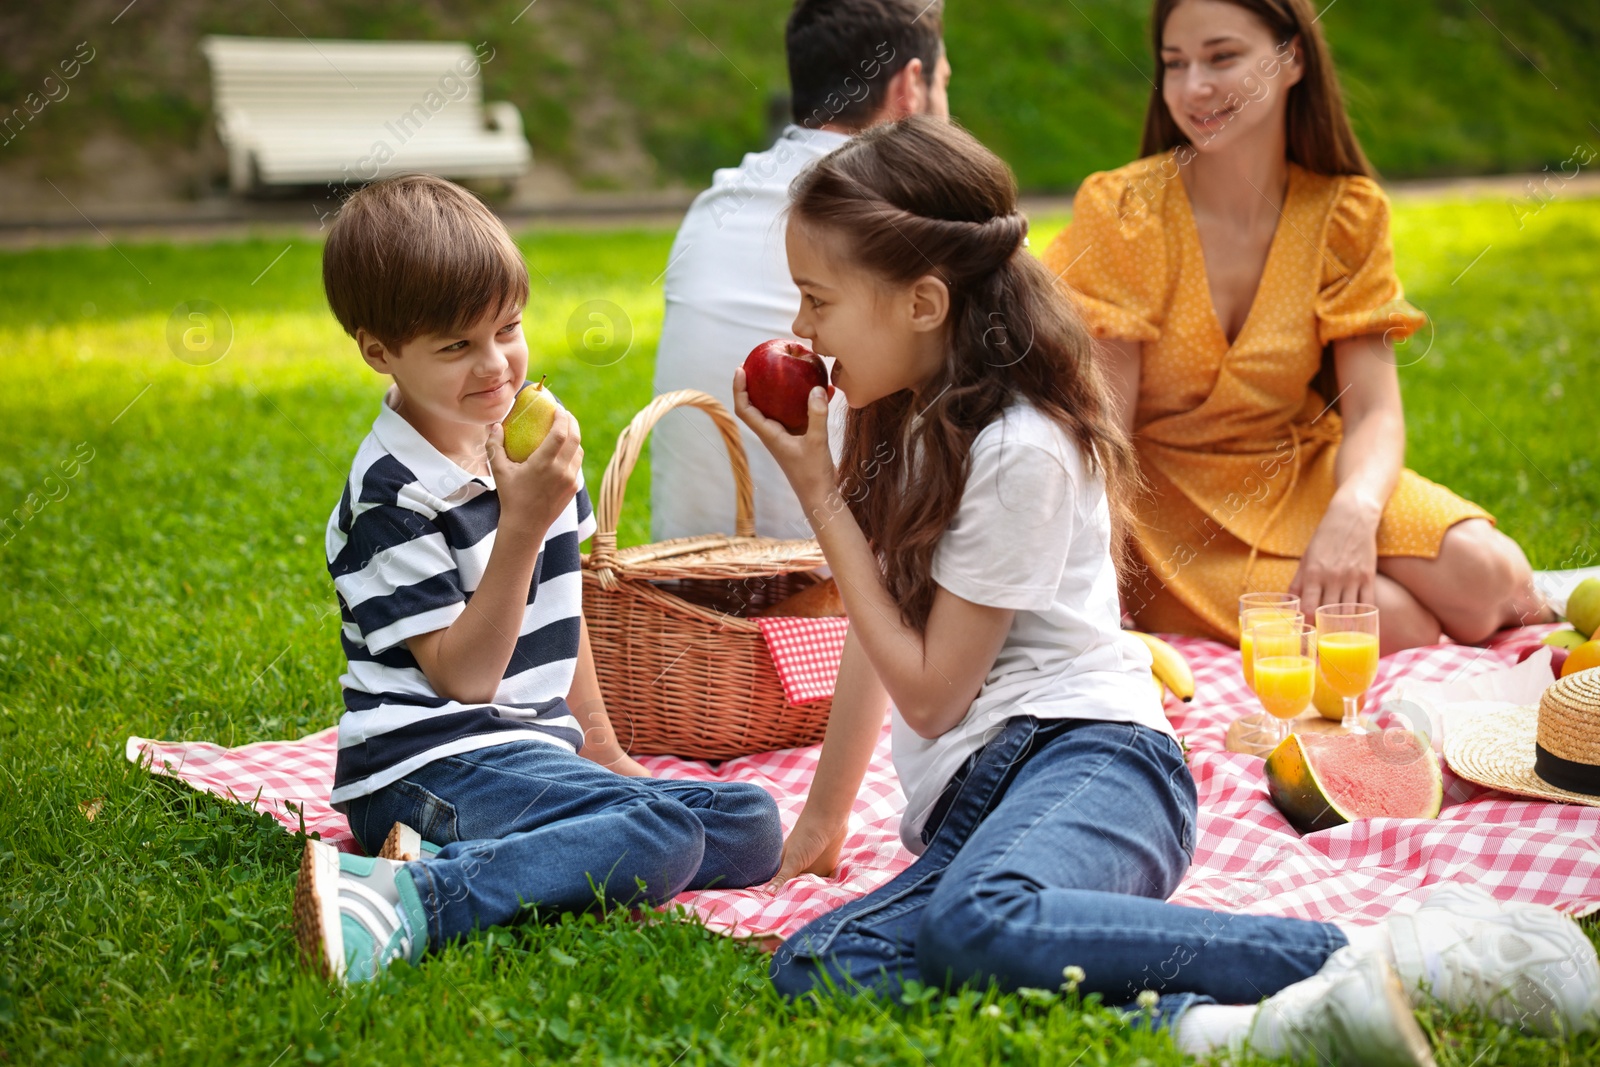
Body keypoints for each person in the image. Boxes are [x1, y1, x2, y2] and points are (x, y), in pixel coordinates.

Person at [733, 115, 1598, 1063]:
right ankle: (1234, 1029)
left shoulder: (1020, 448)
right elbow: (879, 620)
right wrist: (821, 823)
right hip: (979, 807)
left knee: (976, 925)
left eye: (817, 301)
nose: (800, 331)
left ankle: (1401, 955)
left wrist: (820, 500)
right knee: (826, 960)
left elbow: (933, 696)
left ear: (924, 302)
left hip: (1093, 761)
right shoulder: (901, 419)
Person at [293, 174, 783, 984]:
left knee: (750, 822)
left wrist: (605, 751)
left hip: (527, 752)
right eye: (456, 347)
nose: (496, 367)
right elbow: (465, 675)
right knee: (661, 834)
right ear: (379, 350)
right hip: (424, 765)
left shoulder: (529, 440)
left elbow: (567, 611)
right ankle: (410, 898)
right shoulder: (390, 494)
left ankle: (482, 852)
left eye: (508, 329)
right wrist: (522, 520)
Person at [1043, 0, 1555, 653]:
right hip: (1168, 513)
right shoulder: (1126, 213)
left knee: (1497, 583)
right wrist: (1100, 594)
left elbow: (1373, 412)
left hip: (1302, 468)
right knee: (1397, 625)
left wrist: (1356, 511)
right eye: (1176, 64)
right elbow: (1105, 436)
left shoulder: (1345, 213)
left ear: (1292, 59)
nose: (1194, 85)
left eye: (1221, 56)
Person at [650, 0, 952, 542]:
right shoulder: (903, 216)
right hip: (833, 583)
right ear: (910, 86)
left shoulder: (715, 203)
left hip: (685, 573)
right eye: (944, 85)